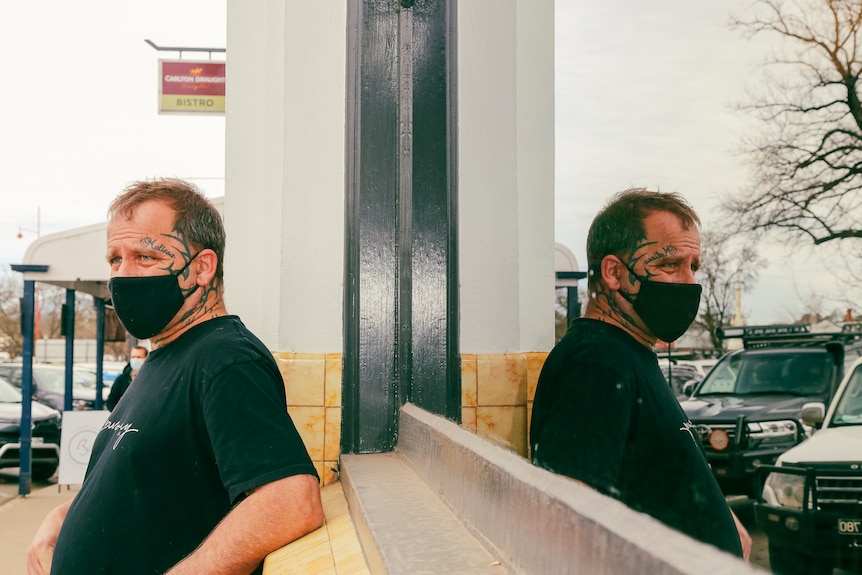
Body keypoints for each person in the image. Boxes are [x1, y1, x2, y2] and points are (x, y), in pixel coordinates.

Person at [27, 178, 324, 575]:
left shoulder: (226, 358)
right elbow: (142, 486)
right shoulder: (164, 357)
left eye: (144, 257)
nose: (123, 276)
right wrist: (60, 519)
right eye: (115, 259)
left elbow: (291, 500)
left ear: (201, 268)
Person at [529, 188, 751, 559]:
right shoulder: (596, 364)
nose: (688, 281)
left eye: (693, 266)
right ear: (614, 273)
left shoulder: (629, 353)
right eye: (669, 265)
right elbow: (567, 529)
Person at [105, 344, 148, 410]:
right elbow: (111, 402)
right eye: (133, 357)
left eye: (139, 357)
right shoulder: (122, 379)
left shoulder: (152, 378)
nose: (135, 359)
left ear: (146, 358)